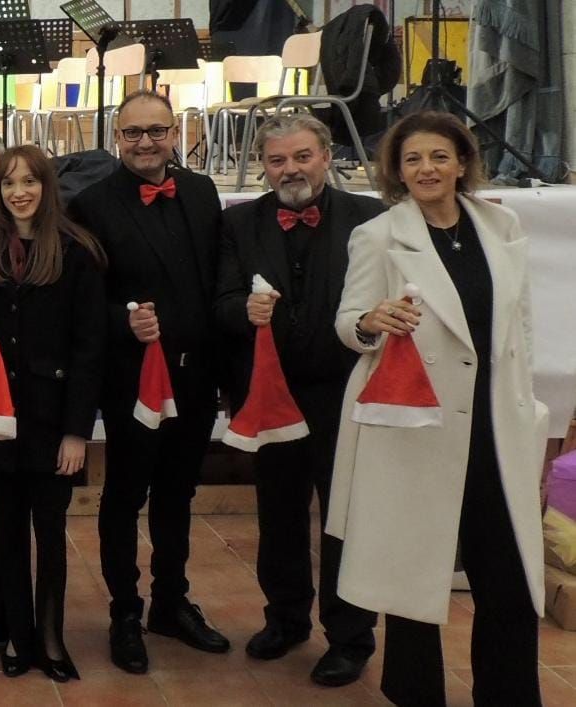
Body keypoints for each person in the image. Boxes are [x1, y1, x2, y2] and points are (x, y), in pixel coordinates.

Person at [329, 111, 545, 706]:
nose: (428, 169)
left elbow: (518, 327)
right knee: (413, 574)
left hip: (494, 430)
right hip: (416, 429)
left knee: (509, 579)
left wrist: (527, 411)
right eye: (414, 160)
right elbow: (349, 321)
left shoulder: (501, 225)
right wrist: (372, 322)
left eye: (440, 157)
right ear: (397, 171)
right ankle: (414, 693)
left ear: (462, 164)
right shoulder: (379, 234)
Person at [213, 114, 384, 688]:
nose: (291, 170)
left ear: (327, 154)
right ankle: (285, 619)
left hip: (347, 393)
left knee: (345, 519)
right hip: (270, 394)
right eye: (278, 160)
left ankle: (350, 637)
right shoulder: (238, 224)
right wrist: (243, 311)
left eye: (303, 156)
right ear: (263, 164)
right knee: (278, 514)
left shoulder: (370, 219)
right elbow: (221, 300)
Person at [67, 91, 229, 674]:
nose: (145, 142)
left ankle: (170, 601)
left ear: (174, 134)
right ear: (117, 136)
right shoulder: (89, 204)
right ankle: (125, 613)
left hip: (195, 375)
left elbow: (216, 279)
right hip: (132, 380)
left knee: (178, 497)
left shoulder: (202, 190)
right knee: (124, 498)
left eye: (156, 131)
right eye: (133, 132)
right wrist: (123, 321)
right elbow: (81, 301)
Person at [0, 144, 106, 681]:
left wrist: (76, 434)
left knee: (50, 531)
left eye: (29, 182)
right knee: (7, 533)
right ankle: (17, 636)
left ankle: (51, 636)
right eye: (8, 185)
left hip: (51, 422)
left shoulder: (76, 251)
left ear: (47, 187)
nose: (19, 193)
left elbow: (89, 350)